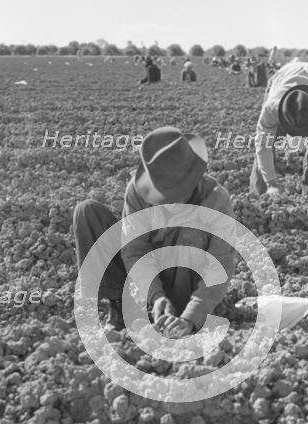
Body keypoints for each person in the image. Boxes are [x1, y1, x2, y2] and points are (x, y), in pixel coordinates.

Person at [73, 127, 236, 335]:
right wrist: (156, 296)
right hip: (147, 281)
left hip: (187, 286)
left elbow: (220, 266)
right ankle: (122, 307)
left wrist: (191, 317)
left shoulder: (216, 201)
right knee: (88, 212)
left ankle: (180, 311)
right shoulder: (137, 191)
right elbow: (134, 249)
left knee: (190, 232)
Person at [249, 59, 308, 198]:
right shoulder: (272, 107)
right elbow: (263, 146)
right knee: (266, 147)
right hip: (280, 79)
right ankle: (258, 198)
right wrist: (271, 184)